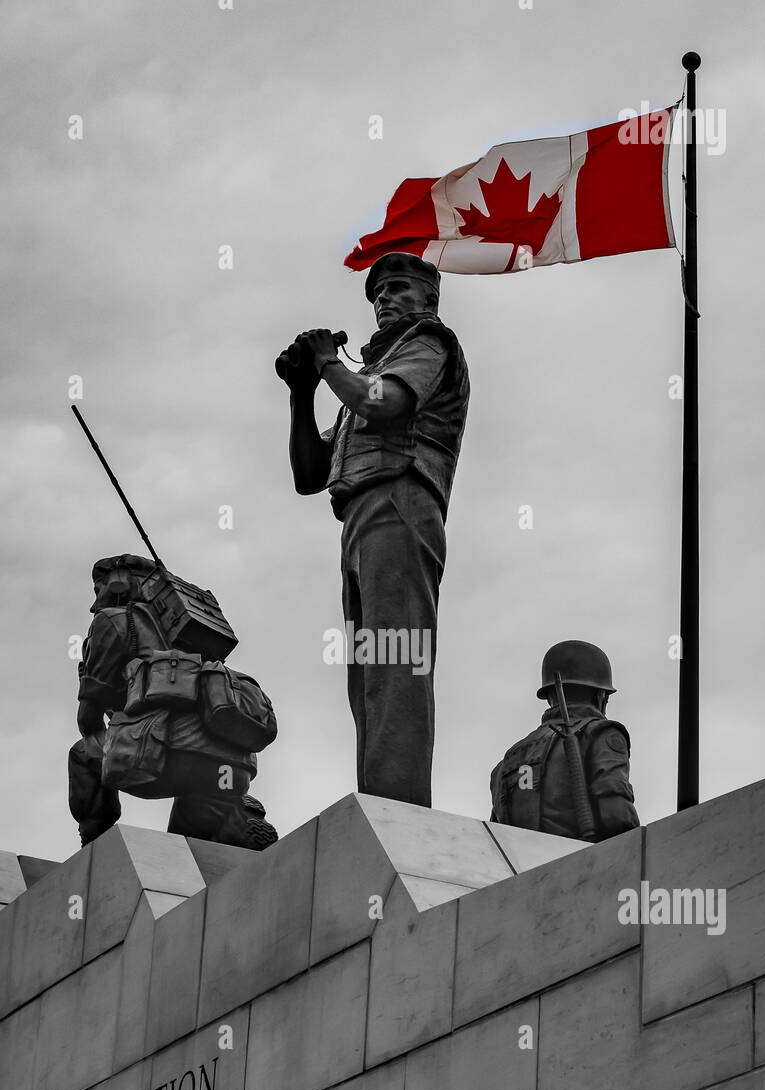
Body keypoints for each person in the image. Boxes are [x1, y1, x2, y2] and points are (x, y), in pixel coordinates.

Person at [276, 251, 469, 807]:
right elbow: (309, 476)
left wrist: (326, 361)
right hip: (361, 515)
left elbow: (382, 406)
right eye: (379, 292)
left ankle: (399, 810)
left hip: (400, 502)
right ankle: (383, 802)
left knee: (396, 664)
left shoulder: (430, 344)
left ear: (429, 299)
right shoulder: (363, 376)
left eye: (399, 287)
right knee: (367, 676)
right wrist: (302, 389)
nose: (385, 297)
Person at [68, 554, 278, 849]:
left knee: (82, 753)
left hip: (162, 753)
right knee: (187, 849)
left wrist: (93, 690)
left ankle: (94, 846)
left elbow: (88, 719)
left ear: (118, 583)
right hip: (233, 764)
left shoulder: (113, 621)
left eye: (98, 590)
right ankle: (237, 817)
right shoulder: (189, 626)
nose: (95, 603)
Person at [490, 640, 639, 841]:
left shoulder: (506, 761)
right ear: (600, 695)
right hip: (585, 866)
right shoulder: (601, 735)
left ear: (549, 695)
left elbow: (496, 836)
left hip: (523, 869)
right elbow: (617, 818)